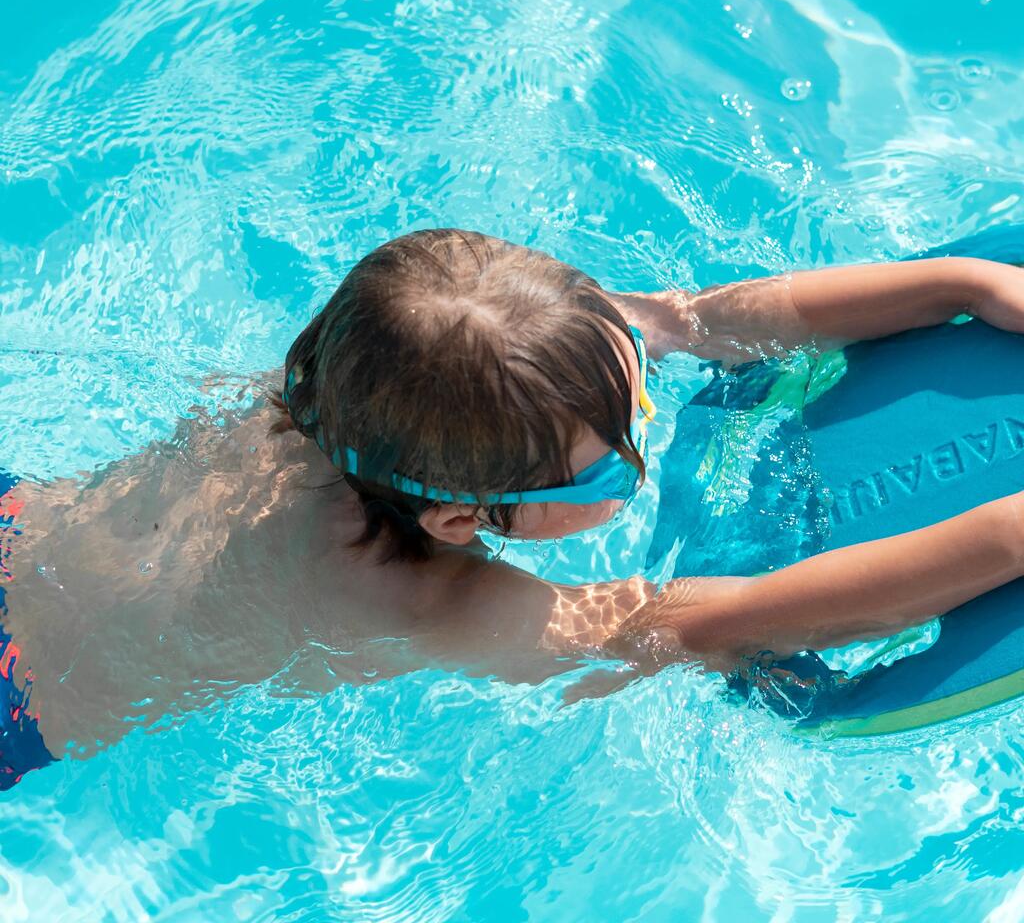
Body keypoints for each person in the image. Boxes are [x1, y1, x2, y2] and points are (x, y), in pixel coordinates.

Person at [3, 227, 1024, 788]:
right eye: (607, 473)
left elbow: (689, 319)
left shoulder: (397, 378)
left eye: (636, 390)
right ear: (458, 518)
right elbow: (722, 618)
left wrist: (965, 284)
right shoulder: (416, 602)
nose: (645, 427)